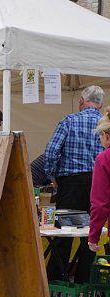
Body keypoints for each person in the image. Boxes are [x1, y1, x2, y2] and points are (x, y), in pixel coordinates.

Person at [44, 85, 105, 283]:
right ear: (101, 104)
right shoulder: (105, 125)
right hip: (99, 183)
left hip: (71, 184)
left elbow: (51, 151)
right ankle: (84, 283)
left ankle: (55, 284)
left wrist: (52, 177)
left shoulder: (69, 121)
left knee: (63, 235)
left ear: (81, 100)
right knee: (91, 236)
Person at [89, 109, 110, 253]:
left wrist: (93, 236)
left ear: (106, 136)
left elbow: (100, 204)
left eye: (100, 136)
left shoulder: (104, 158)